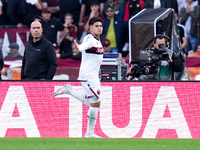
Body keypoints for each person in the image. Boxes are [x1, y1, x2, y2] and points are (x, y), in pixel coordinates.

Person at [54, 17, 103, 138]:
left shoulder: (98, 41)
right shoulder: (89, 38)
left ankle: (69, 90)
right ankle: (89, 133)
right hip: (88, 76)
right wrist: (79, 47)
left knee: (95, 103)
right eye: (96, 26)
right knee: (95, 103)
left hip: (93, 75)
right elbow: (83, 47)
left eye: (100, 26)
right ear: (91, 28)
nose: (99, 28)